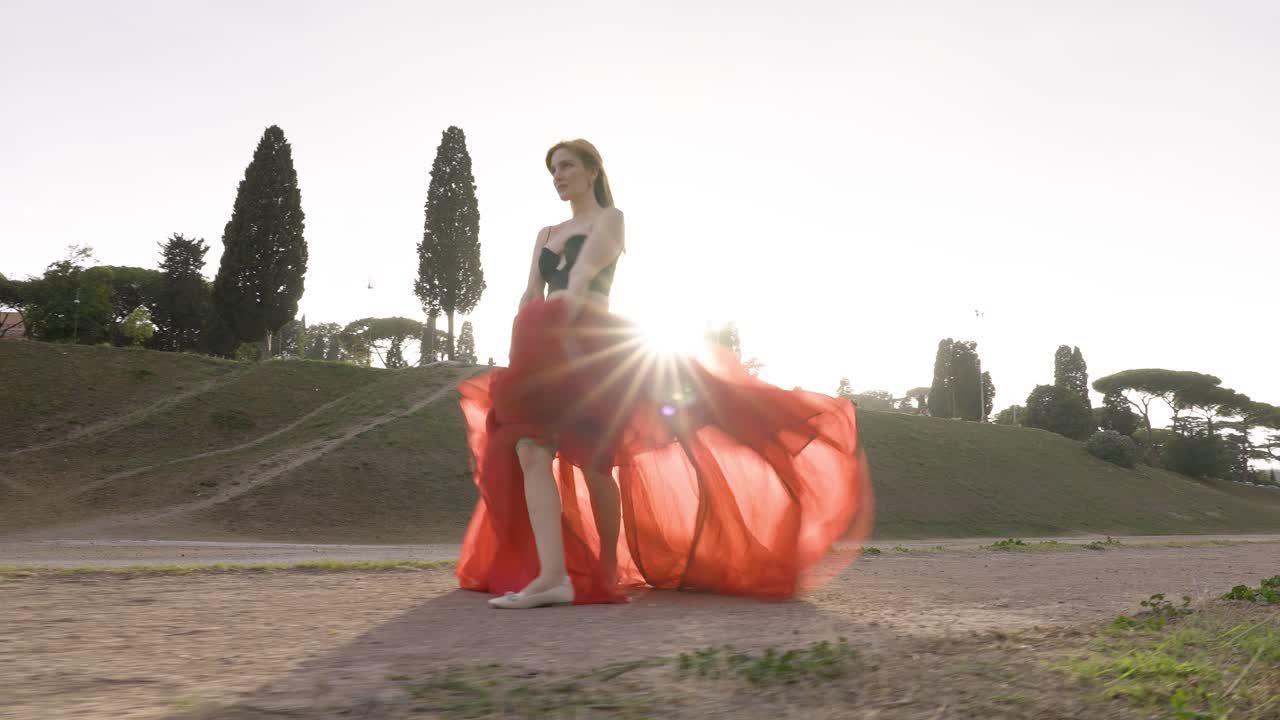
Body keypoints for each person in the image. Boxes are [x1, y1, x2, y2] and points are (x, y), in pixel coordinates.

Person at [455, 139, 873, 609]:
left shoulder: (610, 219)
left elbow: (582, 275)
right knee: (531, 449)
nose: (558, 175)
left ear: (593, 171)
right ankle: (553, 577)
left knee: (593, 463)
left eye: (567, 165)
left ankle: (605, 574)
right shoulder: (546, 231)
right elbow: (532, 291)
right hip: (541, 342)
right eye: (553, 169)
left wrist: (559, 329)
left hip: (589, 344)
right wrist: (523, 348)